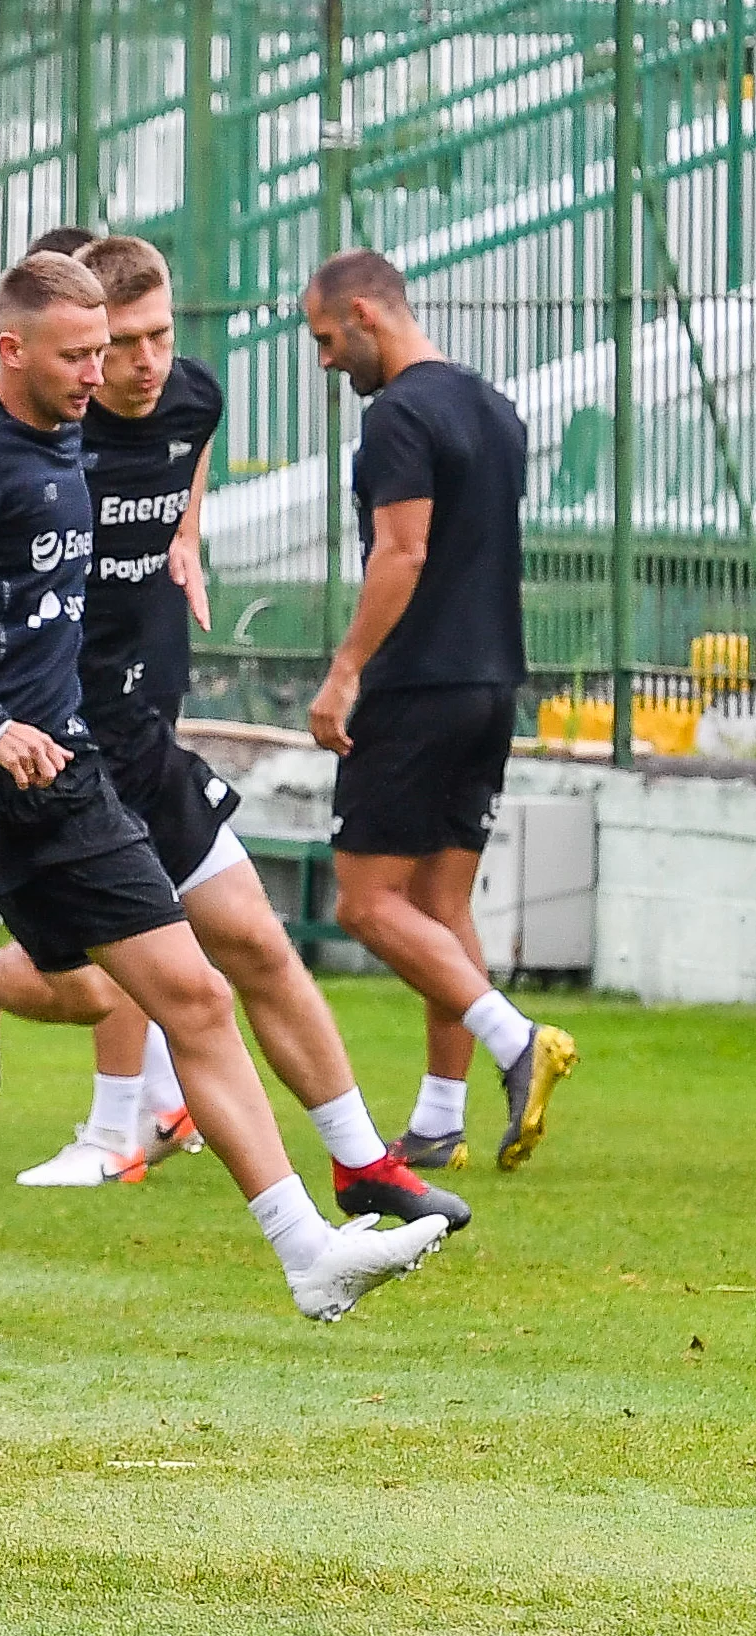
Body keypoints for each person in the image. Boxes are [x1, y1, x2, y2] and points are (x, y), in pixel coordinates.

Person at [0, 254, 455, 1320]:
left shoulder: (75, 441)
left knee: (196, 993)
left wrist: (182, 539)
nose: (101, 372)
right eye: (78, 353)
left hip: (71, 777)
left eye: (110, 348)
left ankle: (308, 1252)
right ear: (12, 351)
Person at [304, 249, 576, 1171]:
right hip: (491, 683)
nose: (326, 362)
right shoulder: (492, 406)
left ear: (364, 315)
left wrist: (344, 672)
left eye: (326, 340)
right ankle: (437, 1119)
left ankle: (513, 1041)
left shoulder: (399, 417)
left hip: (414, 688)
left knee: (364, 904)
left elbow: (403, 553)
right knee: (438, 902)